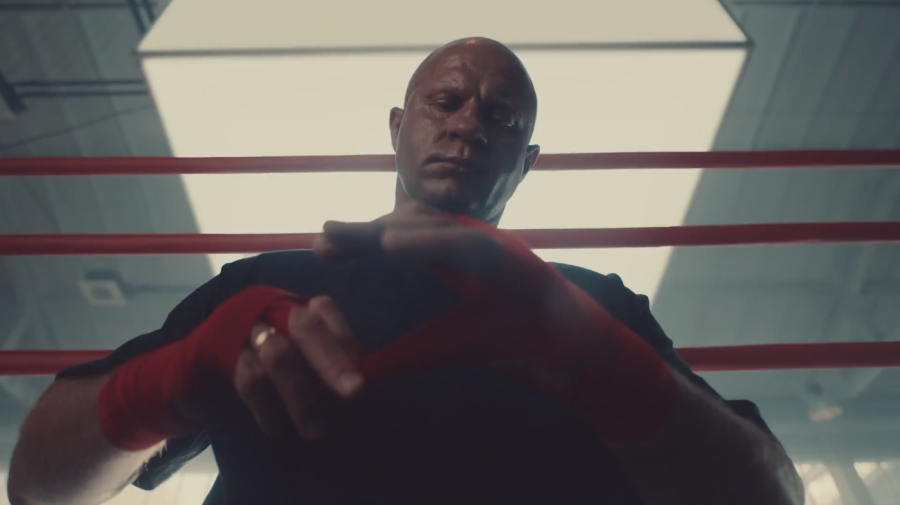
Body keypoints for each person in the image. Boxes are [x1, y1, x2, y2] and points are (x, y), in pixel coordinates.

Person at [8, 38, 804, 505]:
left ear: (526, 161)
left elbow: (773, 492)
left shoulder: (592, 306)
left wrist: (606, 367)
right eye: (446, 102)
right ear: (396, 127)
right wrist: (174, 374)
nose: (468, 125)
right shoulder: (261, 292)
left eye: (499, 118)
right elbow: (37, 482)